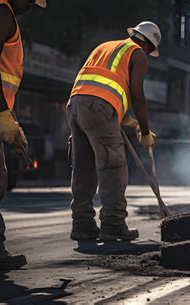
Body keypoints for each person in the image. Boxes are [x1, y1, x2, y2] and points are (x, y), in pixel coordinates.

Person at [67, 21, 160, 241]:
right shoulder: (137, 54)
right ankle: (113, 224)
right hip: (98, 107)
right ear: (147, 44)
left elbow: (101, 94)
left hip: (75, 104)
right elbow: (137, 95)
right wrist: (145, 130)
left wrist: (133, 124)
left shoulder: (105, 46)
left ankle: (82, 224)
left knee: (83, 167)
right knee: (113, 166)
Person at [0, 0, 47, 269]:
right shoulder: (1, 11)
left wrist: (10, 118)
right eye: (31, 2)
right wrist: (1, 113)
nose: (31, 8)